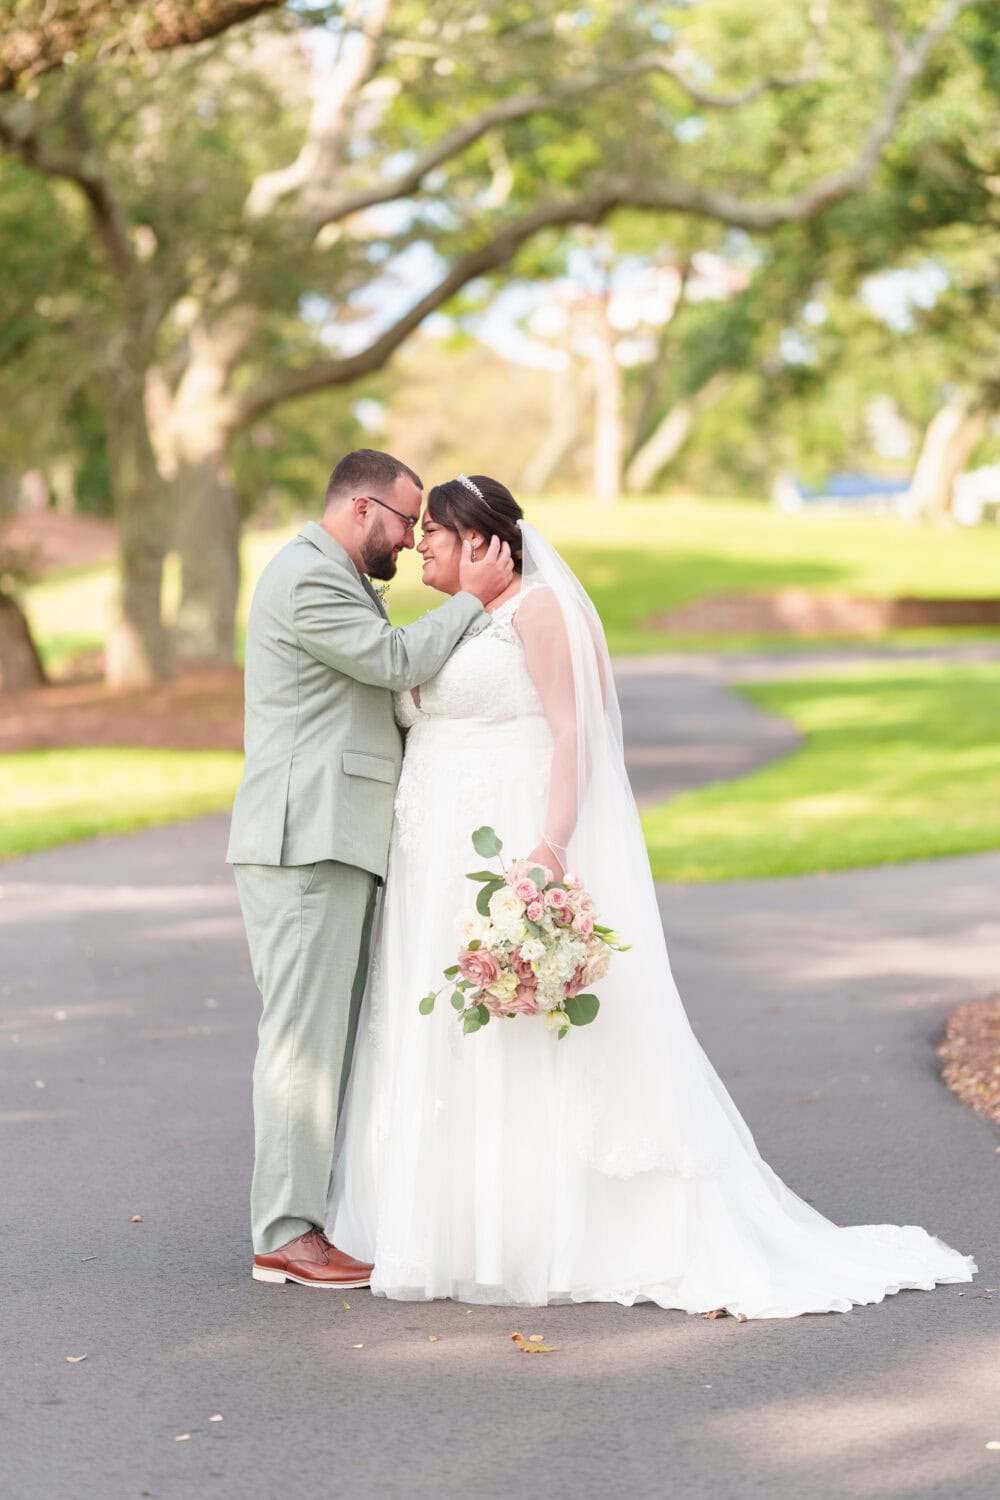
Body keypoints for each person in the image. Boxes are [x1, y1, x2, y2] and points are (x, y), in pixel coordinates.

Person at [327, 473, 976, 1317]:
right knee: (451, 1030)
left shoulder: (540, 612)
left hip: (505, 842)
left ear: (484, 541)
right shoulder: (457, 621)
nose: (419, 546)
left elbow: (573, 734)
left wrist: (549, 850)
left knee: (526, 1038)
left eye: (435, 536)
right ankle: (459, 1226)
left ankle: (543, 1232)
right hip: (433, 857)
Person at [227, 450, 513, 1288]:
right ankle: (285, 1234)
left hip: (332, 837)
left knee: (322, 1038)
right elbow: (392, 663)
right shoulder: (309, 577)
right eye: (406, 520)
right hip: (305, 840)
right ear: (361, 508)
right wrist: (469, 602)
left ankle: (300, 1221)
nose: (413, 537)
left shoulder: (332, 575)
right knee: (302, 1045)